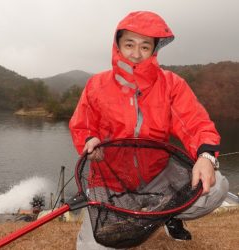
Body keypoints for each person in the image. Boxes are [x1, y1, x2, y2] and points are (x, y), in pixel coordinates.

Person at [69, 11, 229, 250]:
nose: (136, 53)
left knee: (216, 187)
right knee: (94, 247)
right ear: (118, 45)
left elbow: (196, 124)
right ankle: (156, 212)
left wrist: (206, 157)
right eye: (129, 44)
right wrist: (89, 142)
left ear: (155, 49)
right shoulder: (97, 85)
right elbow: (82, 125)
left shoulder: (172, 84)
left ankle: (165, 213)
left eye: (145, 46)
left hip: (159, 175)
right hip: (110, 182)